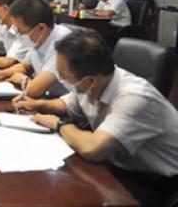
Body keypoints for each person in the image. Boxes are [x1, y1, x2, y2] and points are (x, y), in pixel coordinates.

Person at [13, 30, 178, 206]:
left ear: (90, 81)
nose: (60, 79)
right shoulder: (96, 81)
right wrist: (37, 105)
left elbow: (93, 149)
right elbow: (68, 105)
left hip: (158, 183)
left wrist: (60, 125)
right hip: (120, 164)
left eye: (63, 75)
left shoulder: (134, 98)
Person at [0, 0, 72, 97]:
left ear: (41, 28)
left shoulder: (62, 42)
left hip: (65, 103)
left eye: (21, 31)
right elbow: (25, 66)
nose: (19, 34)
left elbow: (34, 90)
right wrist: (1, 73)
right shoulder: (38, 37)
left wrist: (23, 79)